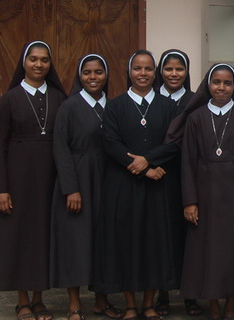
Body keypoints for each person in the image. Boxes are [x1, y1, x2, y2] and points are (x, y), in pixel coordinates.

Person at [94, 50, 181, 320]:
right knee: (127, 243)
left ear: (155, 73)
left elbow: (175, 142)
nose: (143, 73)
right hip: (124, 185)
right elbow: (110, 142)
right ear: (129, 72)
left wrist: (149, 160)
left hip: (158, 187)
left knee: (154, 244)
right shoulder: (115, 106)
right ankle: (130, 305)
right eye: (137, 68)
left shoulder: (169, 106)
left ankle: (149, 304)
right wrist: (142, 167)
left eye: (148, 69)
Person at [173, 63, 234, 320]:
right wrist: (190, 201)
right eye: (216, 82)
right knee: (210, 253)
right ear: (208, 85)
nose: (221, 88)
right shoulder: (196, 118)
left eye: (227, 83)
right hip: (206, 196)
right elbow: (188, 162)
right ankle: (213, 306)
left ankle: (230, 305)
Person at [0, 41, 67, 320]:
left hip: (49, 180)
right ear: (24, 62)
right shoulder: (9, 99)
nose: (39, 64)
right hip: (17, 179)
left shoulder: (58, 97)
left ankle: (39, 299)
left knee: (42, 238)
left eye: (44, 60)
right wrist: (0, 189)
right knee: (19, 238)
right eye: (33, 59)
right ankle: (22, 301)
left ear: (49, 64)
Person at [50, 54, 122, 320]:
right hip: (78, 180)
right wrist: (71, 188)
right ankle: (74, 303)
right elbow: (60, 149)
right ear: (79, 76)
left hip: (107, 180)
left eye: (98, 72)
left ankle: (102, 301)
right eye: (87, 72)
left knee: (104, 242)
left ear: (106, 75)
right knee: (76, 242)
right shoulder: (69, 107)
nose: (93, 77)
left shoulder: (113, 106)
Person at [153, 49, 200, 317]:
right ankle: (162, 293)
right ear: (161, 71)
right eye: (168, 69)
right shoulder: (151, 99)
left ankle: (190, 295)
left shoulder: (195, 100)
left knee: (189, 236)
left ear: (187, 72)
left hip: (189, 175)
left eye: (179, 69)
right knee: (162, 235)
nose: (174, 74)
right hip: (158, 176)